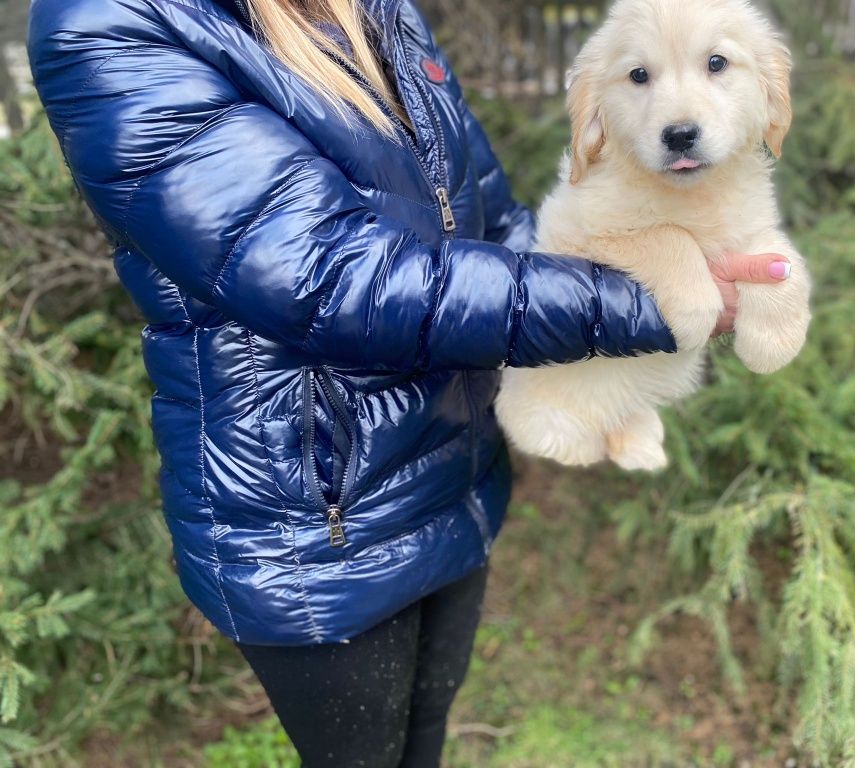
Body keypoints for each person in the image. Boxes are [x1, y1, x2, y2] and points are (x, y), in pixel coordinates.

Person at [26, 0, 792, 765]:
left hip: (453, 469)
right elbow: (327, 277)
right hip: (318, 516)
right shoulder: (112, 22)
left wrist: (646, 249)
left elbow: (488, 223)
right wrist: (642, 303)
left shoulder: (375, 9)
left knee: (424, 741)